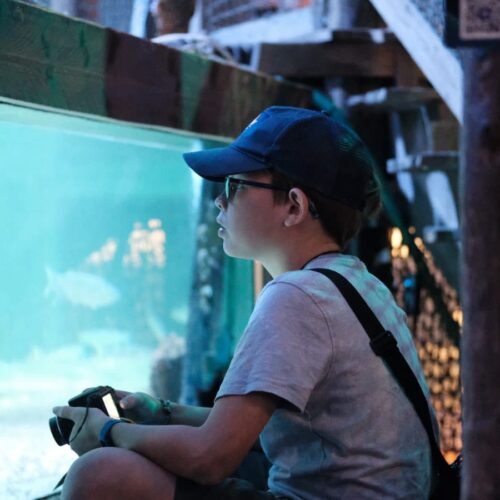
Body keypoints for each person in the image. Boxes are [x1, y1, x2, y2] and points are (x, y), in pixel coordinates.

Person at [53, 106, 436, 499]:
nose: (219, 201)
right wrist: (164, 413)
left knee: (99, 473)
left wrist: (108, 431)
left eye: (235, 185)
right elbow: (258, 428)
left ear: (294, 207)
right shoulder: (356, 283)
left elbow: (210, 458)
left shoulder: (296, 297)